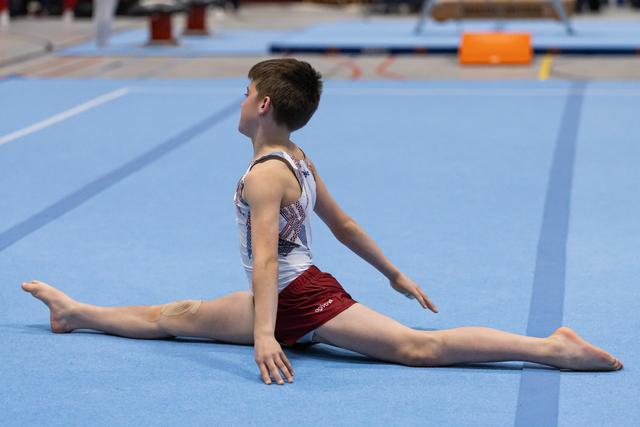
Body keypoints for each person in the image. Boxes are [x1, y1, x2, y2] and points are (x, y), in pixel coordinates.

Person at [21, 58, 623, 386]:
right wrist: (393, 273)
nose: (238, 102)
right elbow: (344, 224)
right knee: (174, 317)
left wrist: (265, 333)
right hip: (287, 295)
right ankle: (74, 313)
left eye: (243, 93)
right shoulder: (297, 159)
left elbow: (265, 262)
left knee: (419, 348)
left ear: (261, 105)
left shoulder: (264, 175)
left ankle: (550, 348)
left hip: (297, 298)